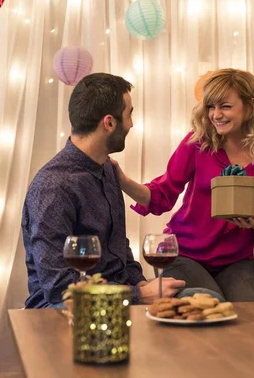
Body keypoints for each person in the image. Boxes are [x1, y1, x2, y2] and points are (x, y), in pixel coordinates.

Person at [113, 69, 254, 302]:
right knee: (209, 304)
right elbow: (162, 194)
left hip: (239, 258)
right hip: (186, 255)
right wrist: (123, 181)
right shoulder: (197, 144)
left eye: (225, 106)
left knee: (253, 309)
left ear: (249, 106)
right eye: (210, 107)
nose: (216, 115)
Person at [22, 73, 186, 308]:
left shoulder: (107, 169)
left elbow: (117, 247)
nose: (131, 123)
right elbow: (60, 288)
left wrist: (139, 283)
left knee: (198, 298)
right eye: (129, 114)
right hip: (67, 306)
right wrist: (139, 296)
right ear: (109, 123)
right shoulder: (53, 187)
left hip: (120, 296)